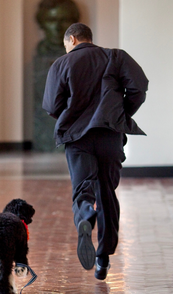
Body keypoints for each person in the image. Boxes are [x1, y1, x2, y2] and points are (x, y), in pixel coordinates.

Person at [42, 23, 149, 280]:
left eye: (66, 44)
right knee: (107, 192)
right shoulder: (115, 56)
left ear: (73, 39)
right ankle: (103, 259)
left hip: (78, 138)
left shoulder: (61, 64)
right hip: (109, 135)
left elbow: (51, 104)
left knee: (83, 188)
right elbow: (139, 87)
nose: (66, 48)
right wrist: (119, 113)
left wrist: (70, 116)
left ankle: (85, 215)